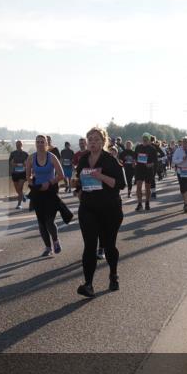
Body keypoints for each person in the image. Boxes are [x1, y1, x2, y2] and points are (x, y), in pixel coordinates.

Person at [75, 127, 125, 297]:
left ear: (104, 141)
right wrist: (78, 191)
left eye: (96, 139)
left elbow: (120, 184)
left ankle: (113, 274)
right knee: (89, 247)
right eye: (90, 140)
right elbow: (78, 182)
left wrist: (100, 177)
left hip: (110, 209)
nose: (93, 142)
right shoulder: (83, 160)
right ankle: (88, 284)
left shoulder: (110, 160)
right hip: (88, 208)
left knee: (109, 245)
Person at [26, 135, 66, 256]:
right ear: (35, 143)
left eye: (42, 142)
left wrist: (48, 183)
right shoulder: (31, 158)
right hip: (38, 193)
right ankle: (48, 248)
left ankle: (55, 240)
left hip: (50, 191)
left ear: (46, 144)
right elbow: (28, 176)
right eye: (37, 142)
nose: (39, 144)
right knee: (41, 222)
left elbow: (61, 175)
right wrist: (33, 184)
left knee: (49, 221)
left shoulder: (52, 157)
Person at [133, 134, 157, 211]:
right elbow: (135, 157)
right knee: (138, 186)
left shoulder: (152, 149)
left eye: (146, 138)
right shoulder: (138, 147)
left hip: (148, 170)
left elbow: (155, 161)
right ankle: (139, 204)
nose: (145, 139)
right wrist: (134, 162)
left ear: (149, 140)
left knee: (147, 187)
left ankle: (147, 203)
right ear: (142, 139)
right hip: (139, 169)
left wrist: (150, 164)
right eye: (144, 138)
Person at [8, 141, 29, 209]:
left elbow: (28, 163)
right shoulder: (13, 153)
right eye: (17, 145)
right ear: (16, 145)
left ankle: (19, 204)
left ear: (22, 145)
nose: (18, 146)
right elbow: (10, 162)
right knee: (17, 189)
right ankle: (23, 196)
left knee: (20, 188)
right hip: (15, 173)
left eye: (19, 144)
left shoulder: (25, 154)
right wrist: (14, 164)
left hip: (23, 173)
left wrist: (25, 165)